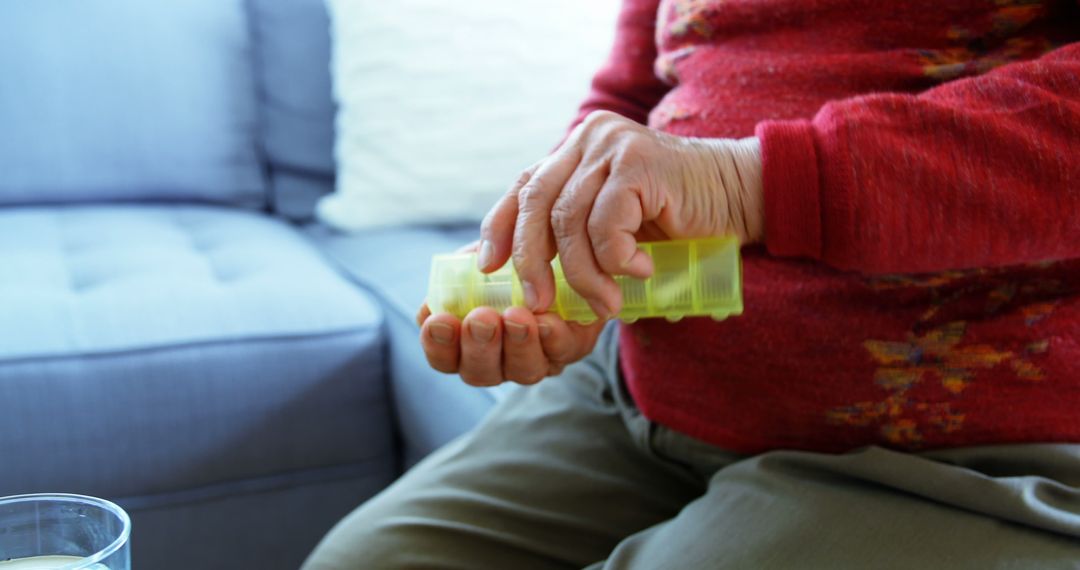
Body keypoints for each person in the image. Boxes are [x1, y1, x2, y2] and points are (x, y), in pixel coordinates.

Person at [304, 0, 1080, 567]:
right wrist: (575, 244)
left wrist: (751, 184)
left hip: (960, 449)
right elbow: (641, 88)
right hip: (640, 392)